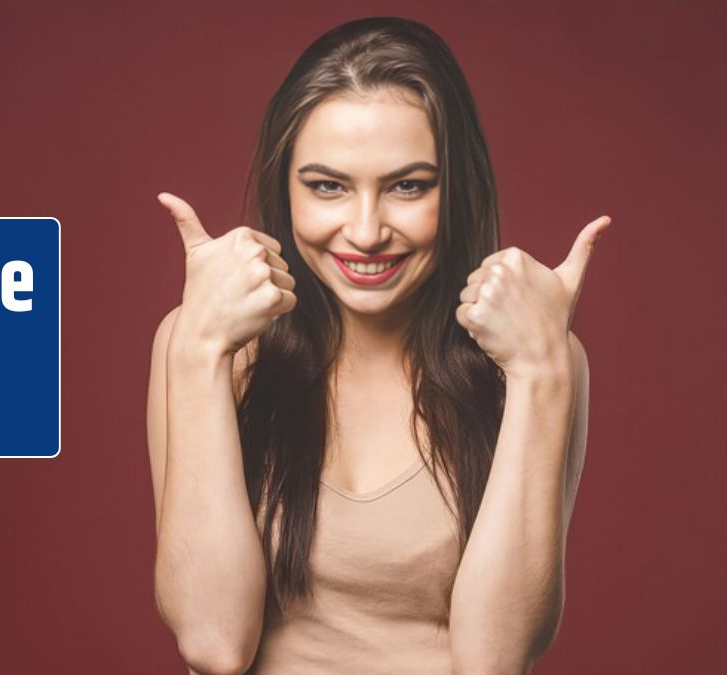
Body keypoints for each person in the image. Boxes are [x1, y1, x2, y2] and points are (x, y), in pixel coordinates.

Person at [146, 16, 608, 675]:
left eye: (408, 185)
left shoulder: (533, 364)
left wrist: (540, 371)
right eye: (327, 185)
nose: (365, 231)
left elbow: (494, 658)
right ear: (287, 188)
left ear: (457, 190)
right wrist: (199, 349)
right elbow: (213, 640)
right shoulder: (204, 347)